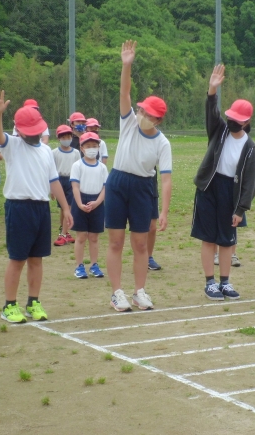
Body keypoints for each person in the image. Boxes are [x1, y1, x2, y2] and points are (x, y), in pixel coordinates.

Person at [0, 89, 73, 323]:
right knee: (17, 259)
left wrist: (66, 208)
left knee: (37, 259)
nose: (34, 135)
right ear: (19, 131)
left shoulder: (46, 150)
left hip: (41, 209)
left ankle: (33, 302)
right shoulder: (13, 146)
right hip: (19, 208)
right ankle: (9, 305)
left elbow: (54, 181)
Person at [105, 40, 172, 312]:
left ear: (158, 121)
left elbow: (166, 179)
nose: (142, 115)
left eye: (149, 114)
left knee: (141, 243)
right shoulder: (129, 122)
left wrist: (165, 211)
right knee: (116, 241)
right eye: (142, 110)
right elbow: (125, 93)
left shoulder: (163, 143)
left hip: (144, 187)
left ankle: (139, 292)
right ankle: (116, 293)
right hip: (118, 182)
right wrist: (126, 65)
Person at [191, 64, 255, 301]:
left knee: (227, 240)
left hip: (231, 193)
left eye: (237, 120)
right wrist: (212, 89)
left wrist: (241, 209)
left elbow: (250, 182)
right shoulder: (219, 130)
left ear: (247, 122)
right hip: (209, 188)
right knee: (208, 237)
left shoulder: (250, 147)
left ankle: (225, 282)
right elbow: (211, 112)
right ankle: (210, 283)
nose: (232, 122)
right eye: (230, 117)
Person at [71, 131, 108, 279]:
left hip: (97, 202)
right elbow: (74, 186)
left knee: (94, 237)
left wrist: (98, 202)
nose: (92, 148)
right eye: (88, 146)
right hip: (80, 200)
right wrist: (80, 204)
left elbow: (105, 187)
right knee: (81, 237)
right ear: (82, 148)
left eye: (95, 145)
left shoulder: (102, 168)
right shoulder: (77, 165)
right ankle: (79, 266)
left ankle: (94, 265)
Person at [52, 125, 80, 246]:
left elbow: (79, 168)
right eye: (63, 136)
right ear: (59, 138)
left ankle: (63, 234)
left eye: (68, 136)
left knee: (68, 207)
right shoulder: (54, 153)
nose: (66, 138)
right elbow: (51, 170)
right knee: (63, 208)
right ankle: (65, 231)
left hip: (71, 181)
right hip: (59, 181)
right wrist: (51, 189)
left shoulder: (76, 153)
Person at [147, 170, 162, 271]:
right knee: (139, 229)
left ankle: (149, 257)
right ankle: (140, 257)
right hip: (136, 188)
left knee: (152, 228)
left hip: (151, 189)